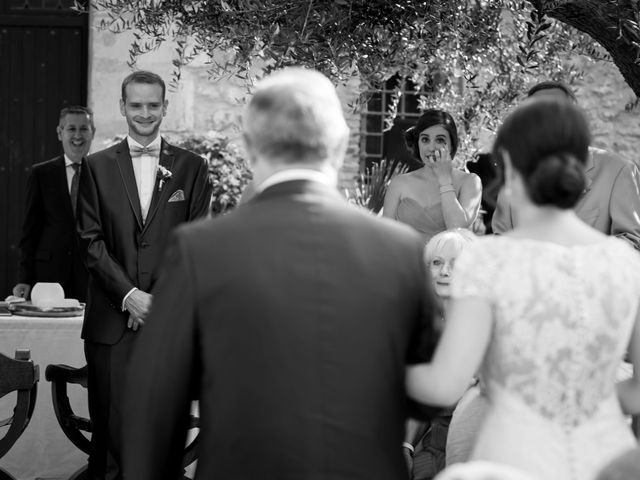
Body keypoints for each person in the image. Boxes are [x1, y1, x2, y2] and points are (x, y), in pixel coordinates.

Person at [121, 67, 440, 480]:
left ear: (250, 146)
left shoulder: (202, 249)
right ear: (340, 144)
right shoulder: (399, 249)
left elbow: (156, 403)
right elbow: (427, 388)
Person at [406, 98, 640, 480]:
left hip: (513, 457)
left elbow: (445, 383)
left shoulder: (489, 261)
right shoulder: (623, 262)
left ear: (512, 168)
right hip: (605, 458)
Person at [76, 70, 212, 480]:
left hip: (169, 326)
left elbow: (196, 243)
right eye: (136, 105)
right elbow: (89, 241)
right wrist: (130, 296)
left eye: (153, 105)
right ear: (122, 107)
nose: (145, 113)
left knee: (163, 437)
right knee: (112, 441)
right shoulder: (96, 167)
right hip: (111, 325)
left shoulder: (192, 168)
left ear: (165, 107)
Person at [492, 80, 640, 250]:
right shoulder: (515, 173)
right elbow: (501, 241)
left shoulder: (618, 170)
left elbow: (632, 241)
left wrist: (571, 261)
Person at [406, 228, 477, 480]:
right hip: (418, 432)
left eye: (454, 265)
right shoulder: (416, 321)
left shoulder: (480, 326)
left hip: (462, 436)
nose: (444, 271)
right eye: (437, 263)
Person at [13, 106, 94, 302]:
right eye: (71, 129)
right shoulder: (41, 174)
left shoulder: (103, 174)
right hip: (49, 277)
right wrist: (24, 278)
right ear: (60, 133)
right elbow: (30, 232)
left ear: (93, 133)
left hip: (92, 277)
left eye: (84, 129)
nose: (77, 135)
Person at [383, 110, 482, 243]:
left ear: (452, 144)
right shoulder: (399, 183)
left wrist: (444, 179)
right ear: (418, 143)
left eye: (440, 140)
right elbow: (384, 237)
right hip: (405, 262)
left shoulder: (470, 182)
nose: (431, 147)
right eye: (425, 139)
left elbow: (457, 229)